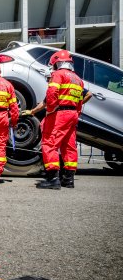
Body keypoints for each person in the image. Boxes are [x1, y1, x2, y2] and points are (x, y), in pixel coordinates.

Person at [35, 50, 85, 189]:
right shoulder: (78, 79)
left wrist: (51, 109)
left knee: (49, 143)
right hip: (73, 113)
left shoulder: (58, 74)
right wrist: (76, 114)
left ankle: (53, 180)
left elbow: (51, 93)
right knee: (69, 146)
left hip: (60, 113)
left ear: (56, 63)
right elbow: (80, 101)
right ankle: (68, 180)